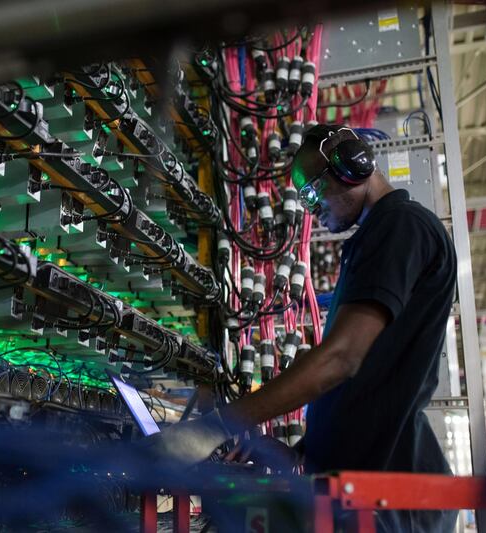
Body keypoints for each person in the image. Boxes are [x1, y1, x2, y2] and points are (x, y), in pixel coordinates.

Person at [144, 125, 458, 532]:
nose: (310, 207)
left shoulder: (400, 226)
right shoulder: (381, 234)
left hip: (386, 501)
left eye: (311, 191)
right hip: (362, 491)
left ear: (351, 167)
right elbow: (368, 380)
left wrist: (220, 424)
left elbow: (342, 359)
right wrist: (300, 455)